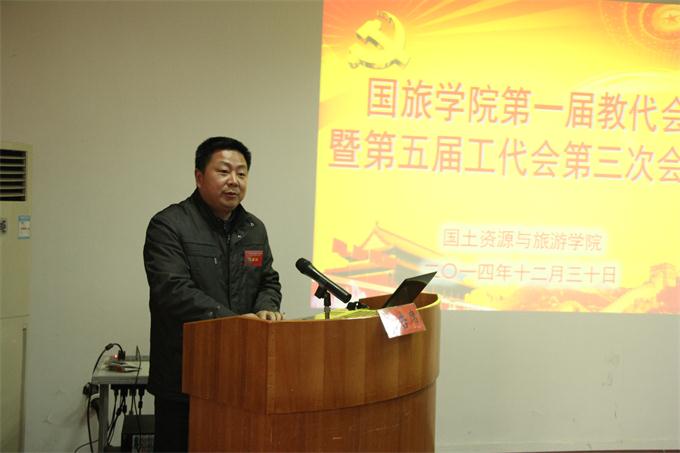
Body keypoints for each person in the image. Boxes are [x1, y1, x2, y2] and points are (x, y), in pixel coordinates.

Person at [143, 136, 283, 452]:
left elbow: (268, 281)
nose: (234, 181)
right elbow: (172, 291)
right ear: (199, 176)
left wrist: (266, 307)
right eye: (223, 171)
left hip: (240, 377)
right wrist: (236, 323)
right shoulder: (169, 225)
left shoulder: (254, 229)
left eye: (242, 173)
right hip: (184, 380)